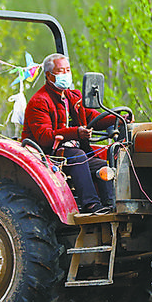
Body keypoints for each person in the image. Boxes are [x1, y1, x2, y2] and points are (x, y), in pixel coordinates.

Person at [22, 54, 114, 213]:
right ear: (49, 75)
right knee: (78, 156)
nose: (66, 74)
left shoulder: (74, 97)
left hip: (70, 151)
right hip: (48, 154)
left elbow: (93, 118)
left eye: (68, 70)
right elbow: (44, 137)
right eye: (60, 71)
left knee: (103, 163)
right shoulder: (39, 102)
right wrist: (76, 133)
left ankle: (110, 204)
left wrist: (118, 118)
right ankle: (91, 205)